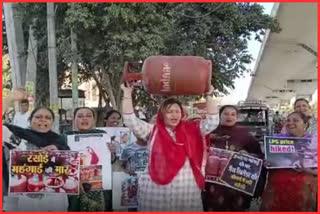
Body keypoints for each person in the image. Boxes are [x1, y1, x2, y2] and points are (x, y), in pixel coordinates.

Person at [121, 83, 219, 211]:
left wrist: (209, 96)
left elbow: (213, 121)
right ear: (162, 115)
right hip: (156, 192)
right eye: (169, 111)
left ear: (182, 114)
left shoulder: (193, 129)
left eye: (177, 111)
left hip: (186, 191)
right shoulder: (153, 130)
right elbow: (130, 120)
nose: (174, 115)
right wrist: (127, 94)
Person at [2, 88, 70, 212]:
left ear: (52, 122)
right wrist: (9, 100)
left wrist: (57, 150)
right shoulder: (18, 134)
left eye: (48, 118)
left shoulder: (60, 140)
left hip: (54, 199)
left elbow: (70, 168)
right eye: (38, 117)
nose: (43, 120)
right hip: (23, 198)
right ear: (30, 120)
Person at [202, 105, 264, 211]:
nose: (229, 117)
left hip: (236, 182)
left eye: (233, 114)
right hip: (213, 182)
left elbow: (259, 156)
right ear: (219, 115)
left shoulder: (244, 134)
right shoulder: (209, 131)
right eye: (226, 114)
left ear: (237, 117)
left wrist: (247, 154)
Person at [260, 111, 317, 211]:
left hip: (302, 192)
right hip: (277, 191)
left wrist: (308, 170)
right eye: (288, 120)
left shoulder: (314, 142)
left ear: (305, 124)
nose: (290, 123)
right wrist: (267, 163)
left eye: (295, 120)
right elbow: (268, 165)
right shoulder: (275, 141)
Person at [63, 107, 111, 212]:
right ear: (74, 119)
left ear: (94, 119)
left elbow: (109, 161)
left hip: (97, 184)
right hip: (74, 183)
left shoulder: (102, 135)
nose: (84, 119)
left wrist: (112, 152)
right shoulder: (66, 137)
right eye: (80, 116)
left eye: (88, 116)